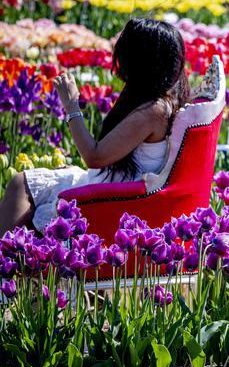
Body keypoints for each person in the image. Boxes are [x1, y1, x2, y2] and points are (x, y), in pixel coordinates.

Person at [0, 18, 189, 236]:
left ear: (141, 61)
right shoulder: (168, 98)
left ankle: (9, 260)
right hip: (118, 185)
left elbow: (94, 156)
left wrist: (71, 104)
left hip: (111, 200)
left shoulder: (153, 111)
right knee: (24, 183)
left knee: (21, 185)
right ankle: (13, 259)